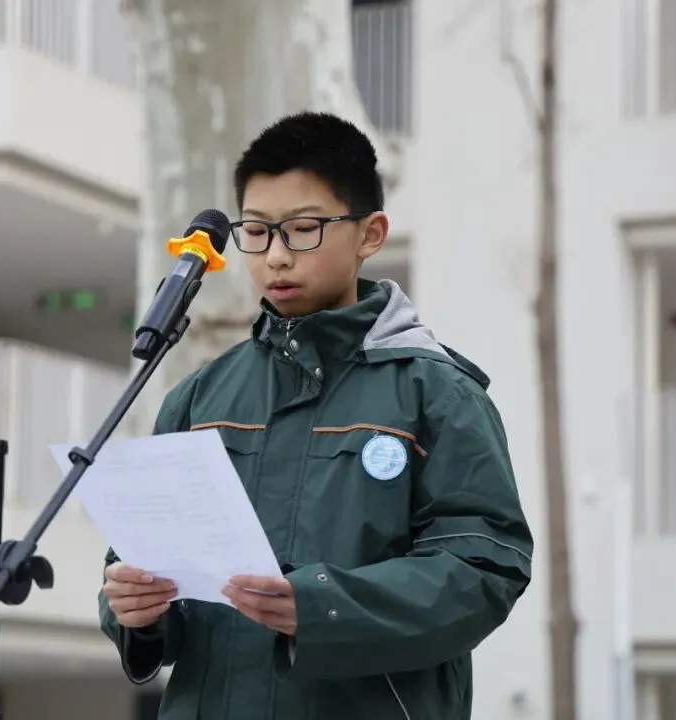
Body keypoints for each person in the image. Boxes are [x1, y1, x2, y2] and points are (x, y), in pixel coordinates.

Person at [98, 111, 533, 719]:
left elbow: (484, 569)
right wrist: (136, 611)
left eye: (303, 229)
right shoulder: (198, 399)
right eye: (256, 231)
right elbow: (139, 560)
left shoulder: (437, 393)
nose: (276, 257)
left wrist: (324, 605)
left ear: (370, 234)